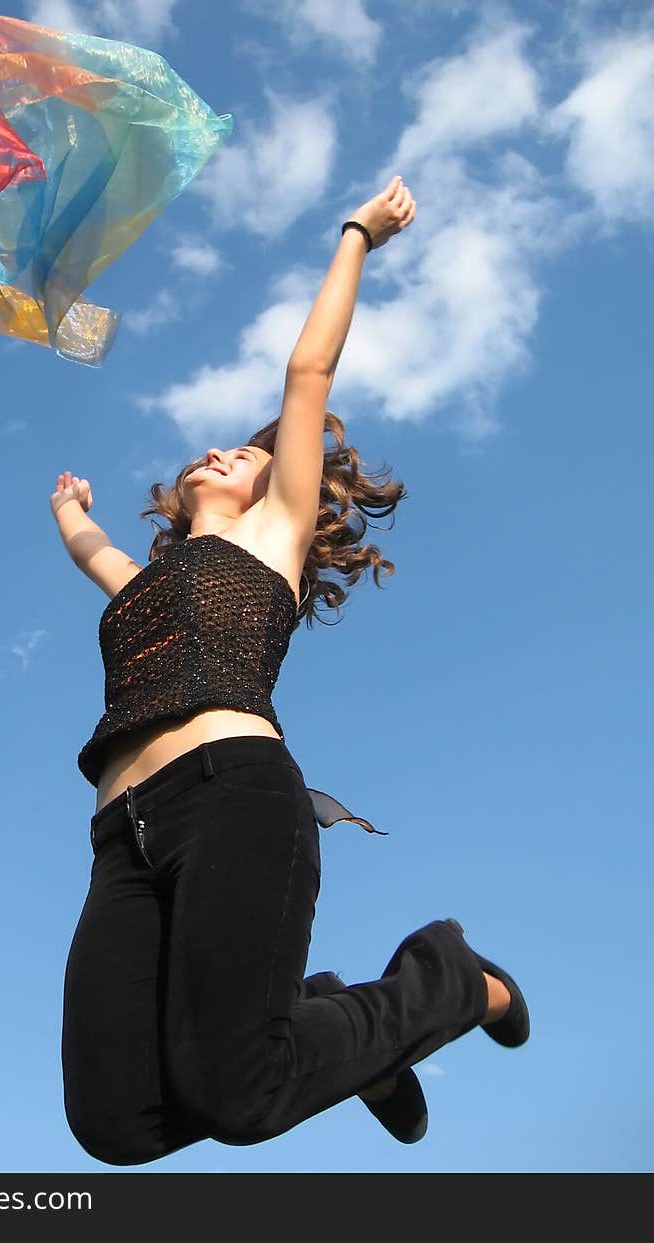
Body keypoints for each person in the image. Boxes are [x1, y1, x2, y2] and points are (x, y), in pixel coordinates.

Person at [50, 175, 529, 1166]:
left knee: (239, 1094)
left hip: (233, 798)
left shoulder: (271, 539)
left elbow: (305, 372)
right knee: (114, 1122)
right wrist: (70, 514)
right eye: (209, 454)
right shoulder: (148, 579)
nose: (220, 452)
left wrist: (359, 233)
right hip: (119, 833)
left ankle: (440, 977)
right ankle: (339, 1033)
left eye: (240, 453)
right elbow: (96, 559)